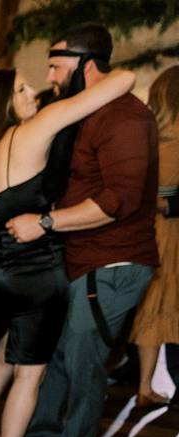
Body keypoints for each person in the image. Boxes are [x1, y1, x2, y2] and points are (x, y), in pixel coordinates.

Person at [0, 64, 135, 437]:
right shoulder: (36, 128)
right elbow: (124, 80)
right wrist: (73, 79)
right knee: (31, 374)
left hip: (1, 276)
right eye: (22, 88)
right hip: (36, 278)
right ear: (4, 104)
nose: (35, 92)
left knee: (4, 355)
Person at [10, 25, 159, 437]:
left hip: (113, 263)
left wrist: (46, 223)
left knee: (84, 362)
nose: (51, 77)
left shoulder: (124, 117)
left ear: (85, 63)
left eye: (56, 66)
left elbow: (119, 199)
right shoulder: (88, 110)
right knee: (62, 357)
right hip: (80, 259)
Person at [129, 65, 179, 408]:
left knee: (151, 303)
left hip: (144, 229)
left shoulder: (143, 136)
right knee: (168, 300)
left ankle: (145, 385)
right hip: (171, 231)